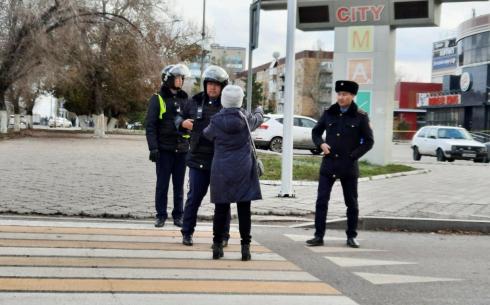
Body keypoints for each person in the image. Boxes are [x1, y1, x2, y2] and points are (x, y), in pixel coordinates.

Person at [306, 80, 374, 248]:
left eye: (345, 94)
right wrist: (321, 144)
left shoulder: (360, 116)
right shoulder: (329, 113)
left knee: (351, 203)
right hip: (328, 164)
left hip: (348, 166)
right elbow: (316, 132)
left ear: (352, 96)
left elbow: (369, 142)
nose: (341, 97)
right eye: (339, 94)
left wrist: (353, 156)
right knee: (321, 201)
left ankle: (351, 236)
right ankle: (318, 235)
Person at [203, 85, 263, 260]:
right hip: (243, 168)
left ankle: (217, 246)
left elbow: (207, 134)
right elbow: (259, 119)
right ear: (240, 100)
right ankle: (245, 248)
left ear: (223, 100)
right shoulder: (246, 119)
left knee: (221, 209)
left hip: (221, 168)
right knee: (244, 209)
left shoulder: (215, 120)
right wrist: (259, 110)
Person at [176, 65, 232, 246]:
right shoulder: (195, 101)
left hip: (221, 161)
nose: (212, 88)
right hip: (198, 159)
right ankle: (187, 232)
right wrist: (181, 123)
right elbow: (177, 117)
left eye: (216, 84)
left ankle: (223, 236)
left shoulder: (228, 104)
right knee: (194, 198)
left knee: (223, 201)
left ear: (223, 86)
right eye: (209, 83)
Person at [145, 64, 191, 228]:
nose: (181, 80)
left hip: (182, 150)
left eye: (182, 78)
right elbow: (150, 126)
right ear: (168, 79)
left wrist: (190, 144)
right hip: (164, 150)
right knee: (162, 185)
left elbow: (191, 123)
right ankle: (161, 215)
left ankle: (178, 215)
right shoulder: (158, 98)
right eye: (178, 77)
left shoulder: (186, 99)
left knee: (179, 186)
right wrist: (153, 148)